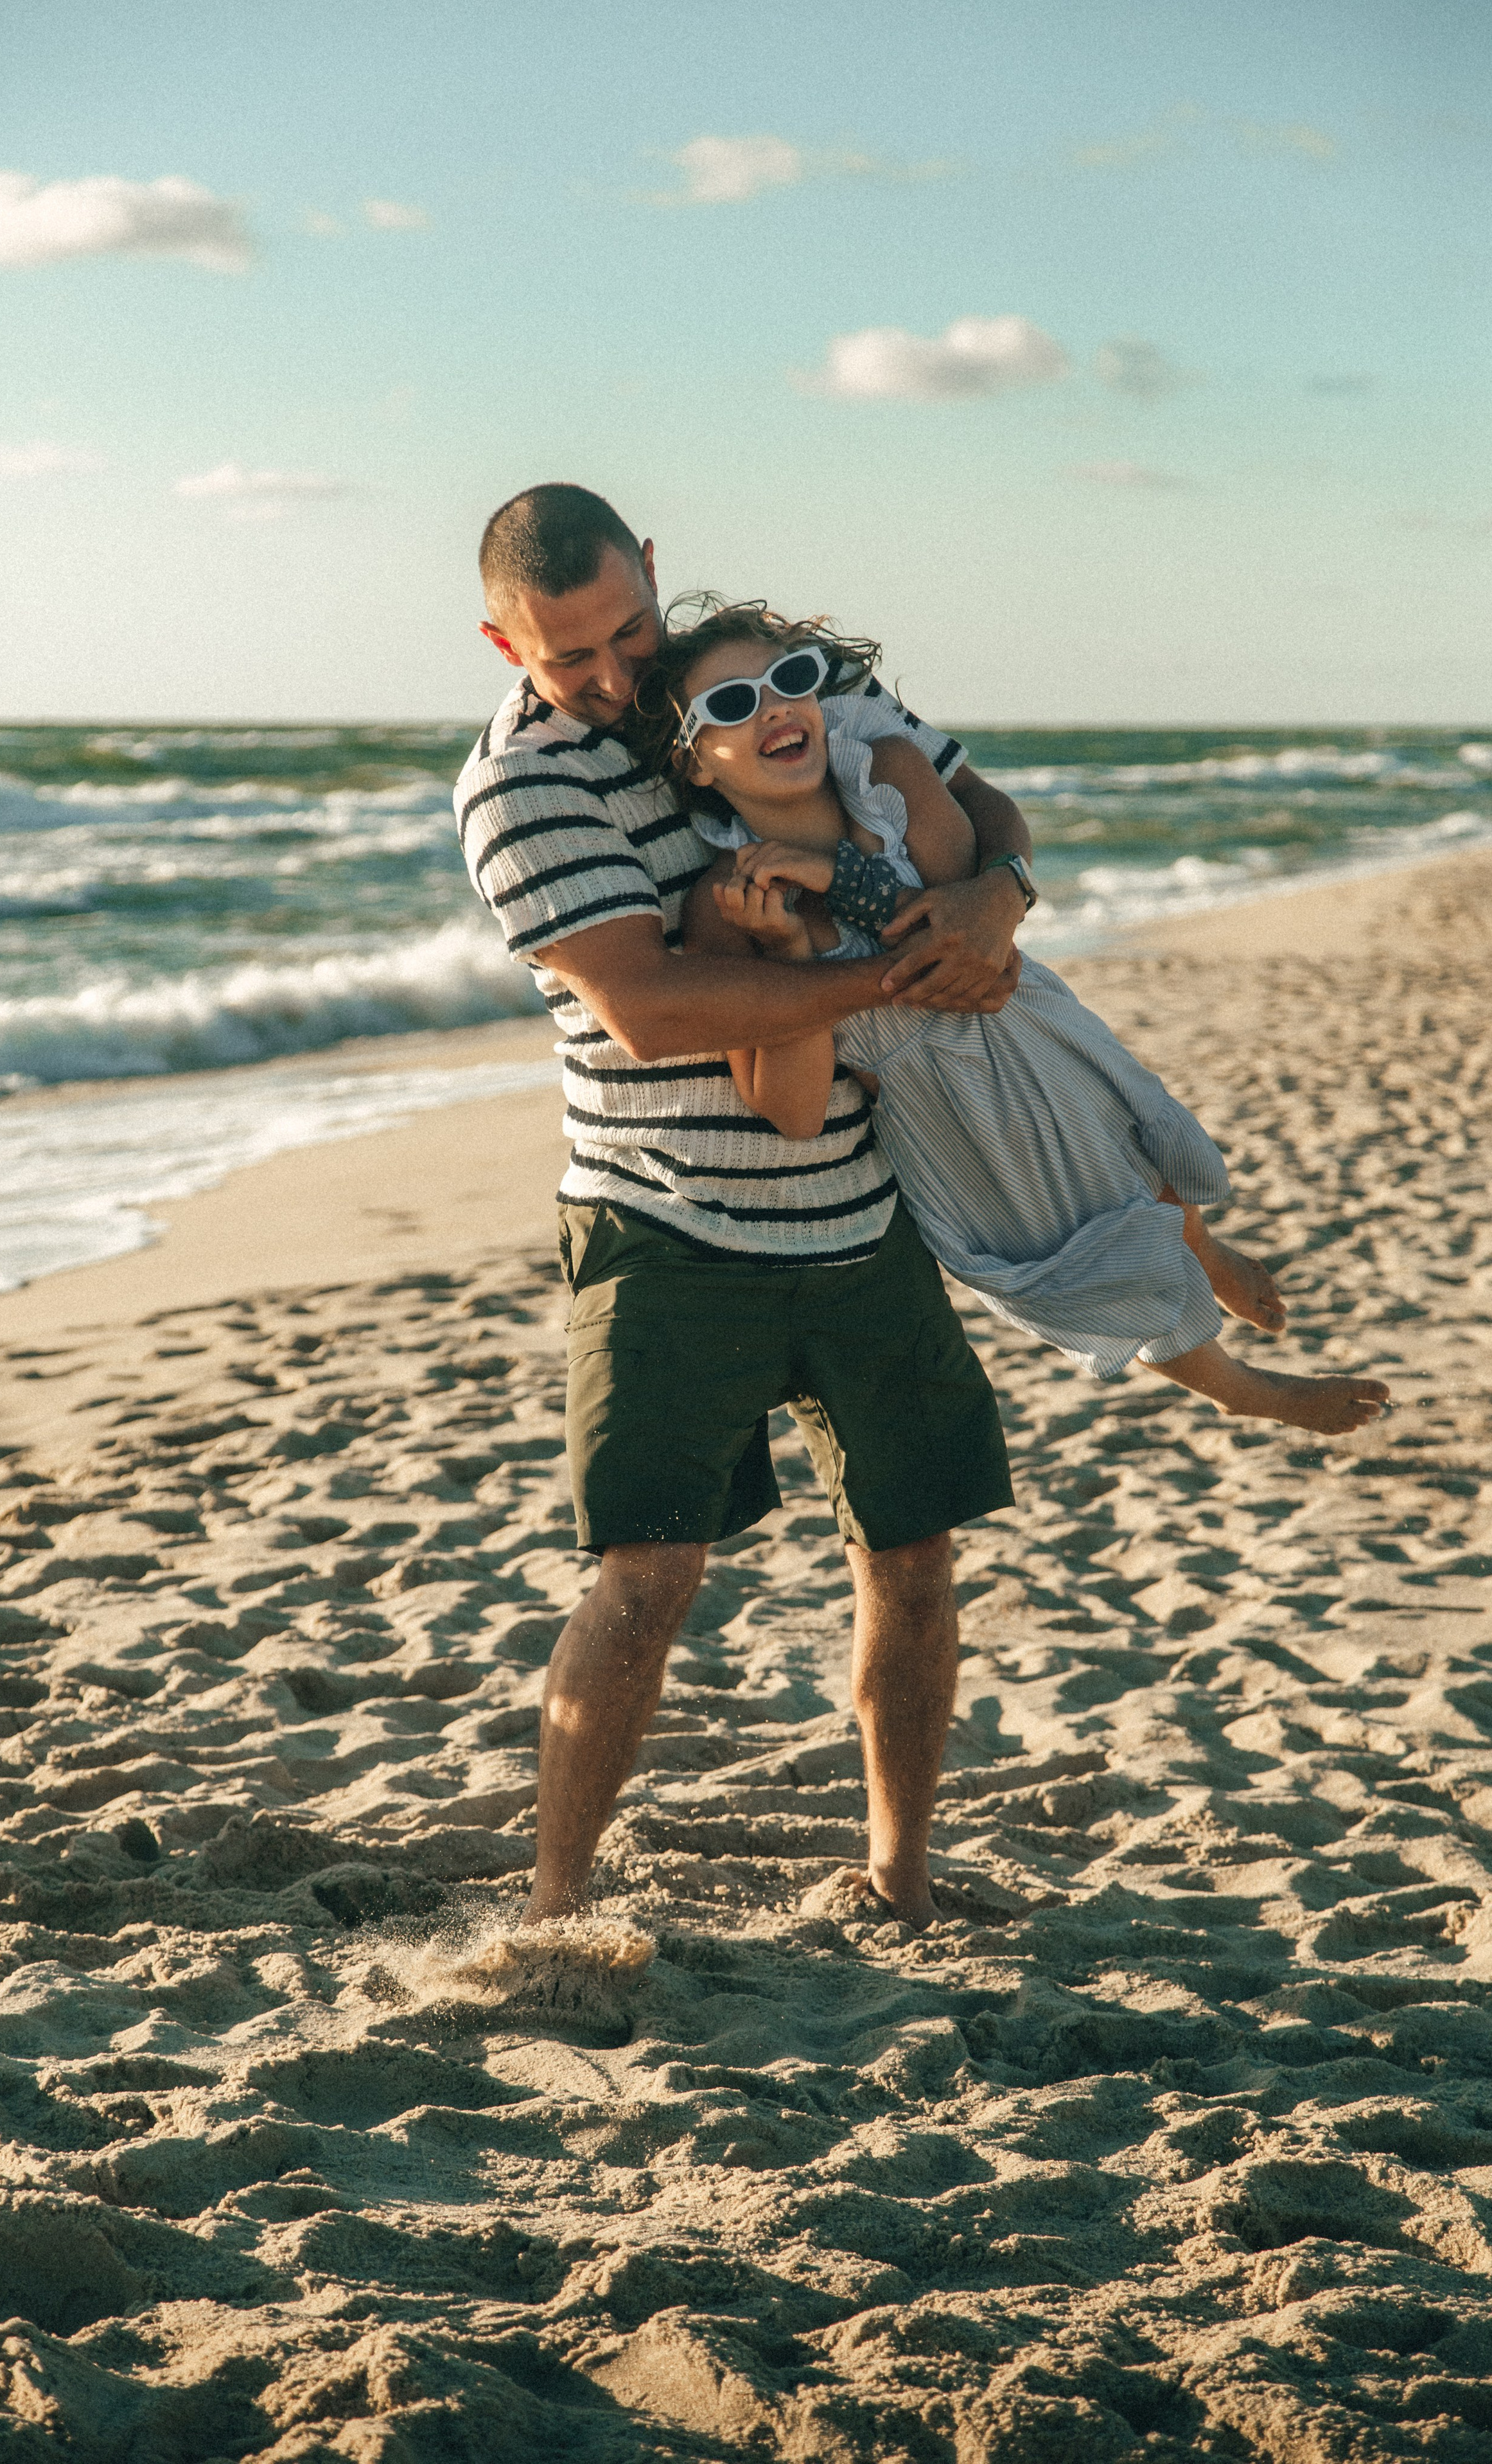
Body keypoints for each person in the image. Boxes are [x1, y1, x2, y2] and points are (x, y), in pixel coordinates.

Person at [454, 482, 1030, 1933]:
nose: (612, 677)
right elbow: (649, 1009)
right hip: (665, 1224)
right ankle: (555, 1911)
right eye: (568, 656)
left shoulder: (762, 684)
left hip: (856, 1207)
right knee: (646, 1573)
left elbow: (966, 799)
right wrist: (905, 970)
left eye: (627, 632)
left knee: (912, 1554)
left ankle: (898, 1883)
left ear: (652, 573)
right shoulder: (524, 790)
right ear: (504, 642)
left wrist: (999, 897)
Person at [654, 597, 1389, 1435]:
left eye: (790, 680)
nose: (775, 708)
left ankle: (1206, 1250)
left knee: (1131, 1148)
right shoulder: (723, 909)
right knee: (1080, 1248)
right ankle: (1245, 1388)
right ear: (695, 764)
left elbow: (965, 944)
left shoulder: (889, 774)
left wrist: (835, 875)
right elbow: (792, 1111)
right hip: (947, 1110)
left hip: (1021, 1019)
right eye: (733, 703)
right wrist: (787, 952)